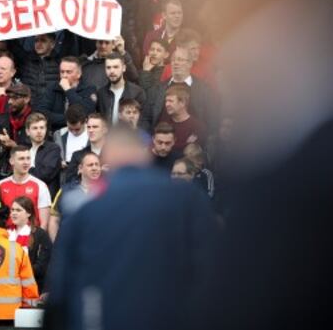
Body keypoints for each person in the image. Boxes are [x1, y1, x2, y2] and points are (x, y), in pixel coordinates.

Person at [44, 127, 217, 330]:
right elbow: (211, 268)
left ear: (108, 157)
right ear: (145, 154)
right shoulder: (187, 198)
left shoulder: (86, 207)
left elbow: (62, 289)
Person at [48, 151, 102, 240]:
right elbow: (54, 219)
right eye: (90, 165)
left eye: (97, 165)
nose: (94, 168)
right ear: (80, 168)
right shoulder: (66, 191)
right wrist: (56, 246)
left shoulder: (108, 191)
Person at [0, 146, 52, 227]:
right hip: (6, 235)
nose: (26, 162)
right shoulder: (0, 185)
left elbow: (44, 223)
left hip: (31, 236)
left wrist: (36, 239)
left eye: (28, 158)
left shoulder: (40, 186)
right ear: (11, 161)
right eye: (21, 159)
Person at [38, 57, 97, 130]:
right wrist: (70, 119)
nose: (64, 75)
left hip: (80, 132)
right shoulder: (52, 87)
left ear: (79, 74)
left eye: (68, 72)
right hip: (56, 132)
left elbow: (85, 112)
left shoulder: (89, 89)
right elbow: (42, 113)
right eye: (62, 72)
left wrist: (68, 90)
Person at [8, 196, 52, 290]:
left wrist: (17, 272)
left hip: (32, 285)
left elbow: (42, 266)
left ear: (28, 213)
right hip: (7, 285)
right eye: (12, 210)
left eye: (18, 210)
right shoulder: (5, 232)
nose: (14, 213)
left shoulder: (40, 234)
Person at [25, 112, 62, 197]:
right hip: (26, 196)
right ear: (27, 131)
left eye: (42, 128)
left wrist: (25, 170)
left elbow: (44, 175)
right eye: (35, 128)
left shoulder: (53, 148)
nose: (39, 131)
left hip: (45, 197)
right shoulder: (24, 149)